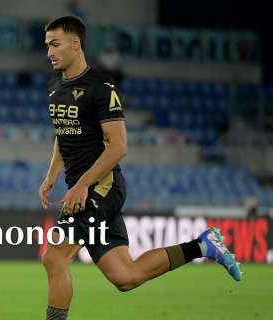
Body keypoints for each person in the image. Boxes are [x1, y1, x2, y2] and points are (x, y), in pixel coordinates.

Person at [38, 16, 241, 320]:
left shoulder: (101, 87)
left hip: (101, 188)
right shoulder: (56, 87)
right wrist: (51, 176)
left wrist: (81, 184)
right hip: (87, 189)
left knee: (54, 257)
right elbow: (63, 133)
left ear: (76, 44)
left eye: (55, 44)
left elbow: (119, 146)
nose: (49, 52)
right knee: (125, 276)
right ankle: (202, 247)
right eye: (47, 45)